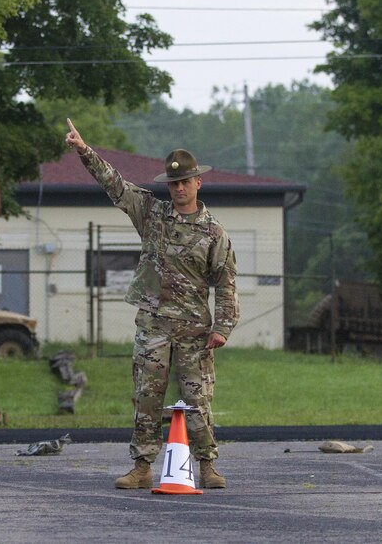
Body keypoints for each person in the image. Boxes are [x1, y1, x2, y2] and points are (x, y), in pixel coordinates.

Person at [64, 119, 238, 490]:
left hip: (194, 330)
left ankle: (207, 465)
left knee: (197, 398)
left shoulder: (213, 232)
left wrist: (222, 327)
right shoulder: (153, 215)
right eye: (173, 183)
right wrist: (84, 150)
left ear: (197, 183)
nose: (178, 188)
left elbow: (226, 282)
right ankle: (142, 466)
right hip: (154, 325)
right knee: (147, 395)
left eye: (185, 182)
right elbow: (115, 185)